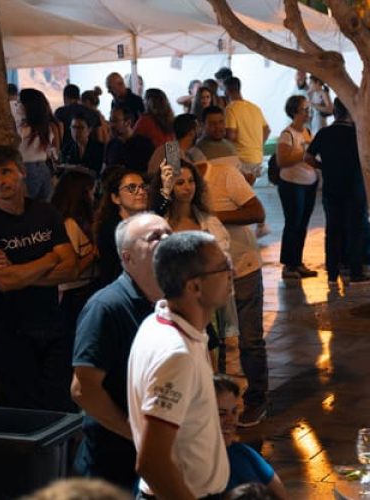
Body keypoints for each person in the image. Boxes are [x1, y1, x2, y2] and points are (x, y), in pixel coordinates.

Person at [0, 145, 77, 413]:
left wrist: (20, 273)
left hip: (49, 325)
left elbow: (71, 268)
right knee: (28, 410)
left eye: (6, 171)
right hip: (8, 332)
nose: (0, 180)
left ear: (21, 172)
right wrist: (49, 259)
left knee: (61, 405)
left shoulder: (45, 213)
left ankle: (60, 455)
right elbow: (4, 282)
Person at [127, 231, 231, 499]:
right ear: (194, 287)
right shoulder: (177, 355)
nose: (231, 273)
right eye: (223, 267)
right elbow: (152, 463)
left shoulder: (158, 322)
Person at [71, 213, 170, 489]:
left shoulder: (177, 299)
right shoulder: (106, 308)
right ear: (127, 258)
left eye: (169, 233)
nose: (166, 240)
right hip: (114, 466)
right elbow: (83, 390)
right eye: (154, 237)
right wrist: (137, 435)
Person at [196, 123, 270, 426]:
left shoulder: (225, 175)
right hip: (209, 278)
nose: (185, 184)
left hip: (242, 269)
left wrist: (211, 216)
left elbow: (257, 212)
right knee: (219, 342)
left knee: (250, 339)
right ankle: (223, 403)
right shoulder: (176, 189)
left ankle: (257, 401)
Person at [307, 99, 370, 285]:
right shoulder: (357, 134)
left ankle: (332, 273)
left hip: (331, 188)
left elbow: (307, 157)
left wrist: (323, 166)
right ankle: (355, 272)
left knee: (333, 230)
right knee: (355, 229)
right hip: (354, 188)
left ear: (335, 111)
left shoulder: (324, 133)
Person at [214, 375, 289, 498]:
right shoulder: (192, 464)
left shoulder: (244, 453)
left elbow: (281, 496)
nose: (231, 420)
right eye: (221, 414)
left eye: (234, 412)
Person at [276, 95, 319, 280]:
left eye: (309, 109)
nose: (309, 112)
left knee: (303, 225)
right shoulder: (287, 135)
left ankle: (298, 262)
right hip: (292, 184)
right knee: (293, 223)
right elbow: (282, 161)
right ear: (295, 112)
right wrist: (303, 154)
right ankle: (288, 264)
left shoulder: (307, 132)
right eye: (305, 109)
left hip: (309, 182)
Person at [50, 171, 100, 332]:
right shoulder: (69, 224)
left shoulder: (72, 221)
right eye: (91, 192)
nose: (93, 197)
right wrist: (93, 253)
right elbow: (72, 266)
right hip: (75, 292)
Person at [93, 169, 149, 289]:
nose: (141, 192)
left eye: (143, 187)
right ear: (115, 198)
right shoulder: (112, 229)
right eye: (131, 188)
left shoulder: (143, 223)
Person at [224, 77, 271, 185]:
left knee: (239, 195)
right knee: (247, 192)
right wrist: (257, 144)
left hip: (242, 160)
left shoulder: (231, 109)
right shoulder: (255, 107)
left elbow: (231, 135)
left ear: (226, 90)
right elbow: (267, 130)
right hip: (257, 158)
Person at [17, 88, 62, 201]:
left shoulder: (23, 130)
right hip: (43, 168)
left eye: (20, 103)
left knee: (26, 208)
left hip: (27, 169)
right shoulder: (45, 128)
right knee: (43, 209)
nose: (17, 106)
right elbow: (53, 152)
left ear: (28, 106)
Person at [104, 106, 155, 174]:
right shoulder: (111, 144)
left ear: (128, 122)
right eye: (110, 120)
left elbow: (151, 172)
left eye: (115, 121)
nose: (111, 125)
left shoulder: (144, 144)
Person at [55, 83, 101, 148]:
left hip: (68, 154)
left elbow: (58, 135)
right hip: (90, 153)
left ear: (65, 98)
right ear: (78, 97)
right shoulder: (93, 113)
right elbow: (99, 137)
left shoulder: (60, 112)